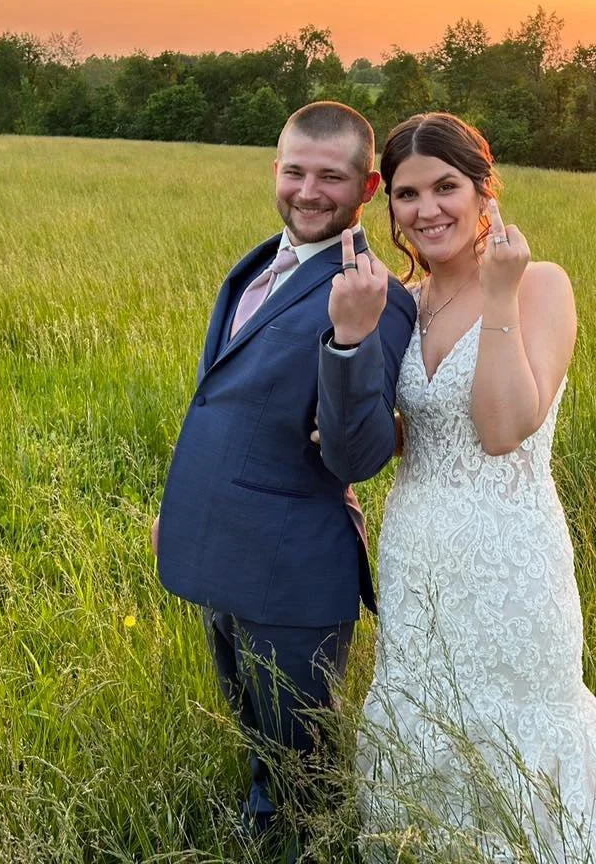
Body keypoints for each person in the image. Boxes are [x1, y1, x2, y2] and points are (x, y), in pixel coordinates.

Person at [344, 113, 596, 862]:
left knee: (521, 725)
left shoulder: (539, 285)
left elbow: (504, 427)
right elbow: (413, 430)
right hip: (418, 552)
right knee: (424, 717)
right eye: (407, 193)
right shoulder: (407, 303)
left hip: (511, 559)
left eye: (447, 186)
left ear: (484, 192)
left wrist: (499, 297)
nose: (428, 209)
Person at [153, 101, 417, 842]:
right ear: (276, 169)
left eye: (331, 177)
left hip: (293, 565)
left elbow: (358, 455)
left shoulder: (376, 299)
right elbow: (222, 405)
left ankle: (310, 844)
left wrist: (348, 343)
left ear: (366, 190)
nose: (308, 191)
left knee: (305, 754)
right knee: (255, 726)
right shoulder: (256, 266)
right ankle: (262, 829)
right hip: (223, 541)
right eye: (295, 171)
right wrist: (182, 509)